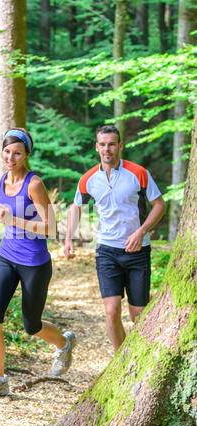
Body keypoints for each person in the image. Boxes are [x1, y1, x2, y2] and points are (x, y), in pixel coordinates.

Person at [0, 128, 76, 397]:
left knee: (32, 325)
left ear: (27, 154)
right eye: (7, 151)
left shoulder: (34, 184)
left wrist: (12, 221)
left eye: (17, 152)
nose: (10, 157)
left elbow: (51, 228)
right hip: (6, 257)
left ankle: (63, 343)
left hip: (34, 263)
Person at [64, 124, 166, 352]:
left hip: (138, 251)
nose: (107, 149)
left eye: (111, 144)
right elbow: (76, 207)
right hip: (107, 251)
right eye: (102, 144)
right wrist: (68, 238)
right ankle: (122, 361)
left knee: (138, 315)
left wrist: (142, 232)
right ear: (96, 147)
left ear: (120, 146)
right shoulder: (88, 179)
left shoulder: (138, 173)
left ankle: (140, 356)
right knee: (111, 311)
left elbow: (159, 205)